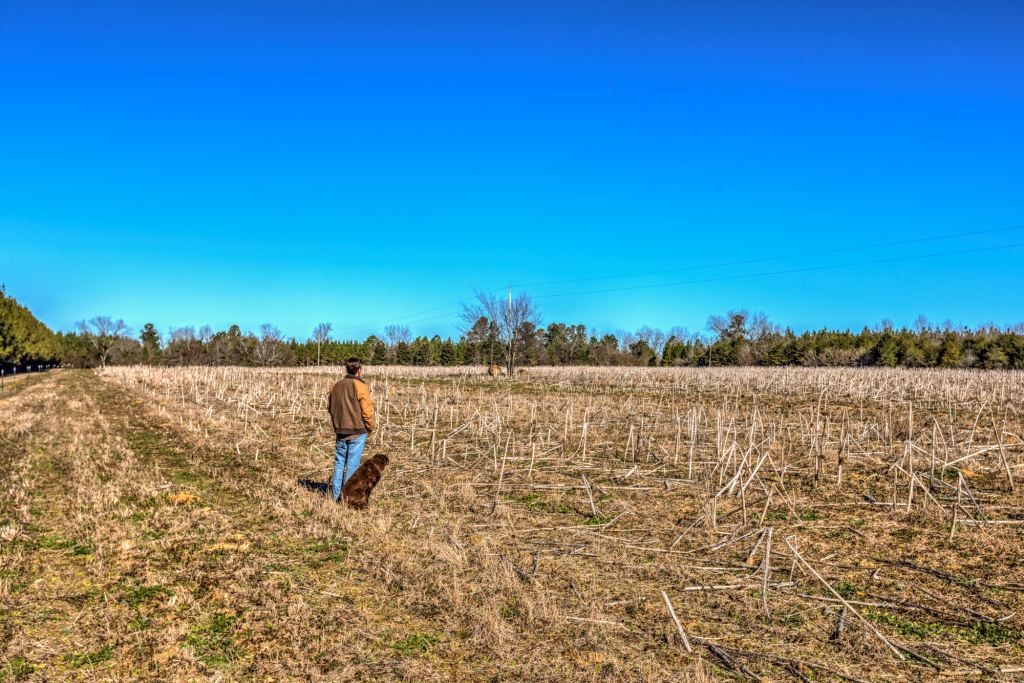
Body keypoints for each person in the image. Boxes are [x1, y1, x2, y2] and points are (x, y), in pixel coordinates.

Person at [326, 357, 376, 502]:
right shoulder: (361, 386)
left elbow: (330, 408)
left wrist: (337, 424)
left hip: (340, 431)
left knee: (339, 463)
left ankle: (335, 497)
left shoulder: (336, 385)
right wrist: (370, 426)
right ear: (359, 370)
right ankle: (347, 499)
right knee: (353, 466)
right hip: (357, 431)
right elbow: (367, 410)